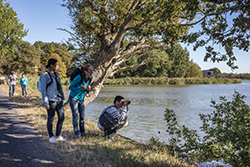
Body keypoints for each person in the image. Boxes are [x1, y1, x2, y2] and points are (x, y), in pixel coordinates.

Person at [40, 58, 65, 143]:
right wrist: (45, 102)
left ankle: (58, 135)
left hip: (58, 99)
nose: (58, 66)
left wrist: (63, 98)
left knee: (62, 117)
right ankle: (51, 136)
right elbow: (43, 90)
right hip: (51, 99)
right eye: (57, 64)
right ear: (51, 65)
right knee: (51, 118)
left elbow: (60, 87)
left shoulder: (57, 74)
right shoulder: (45, 75)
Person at [68, 64, 93, 138]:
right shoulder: (79, 77)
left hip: (81, 99)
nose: (92, 72)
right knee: (75, 116)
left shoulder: (90, 78)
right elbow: (70, 87)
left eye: (92, 70)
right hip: (74, 98)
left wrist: (88, 89)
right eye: (90, 70)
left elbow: (86, 89)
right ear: (85, 71)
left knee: (82, 116)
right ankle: (77, 133)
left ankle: (82, 132)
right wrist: (80, 88)